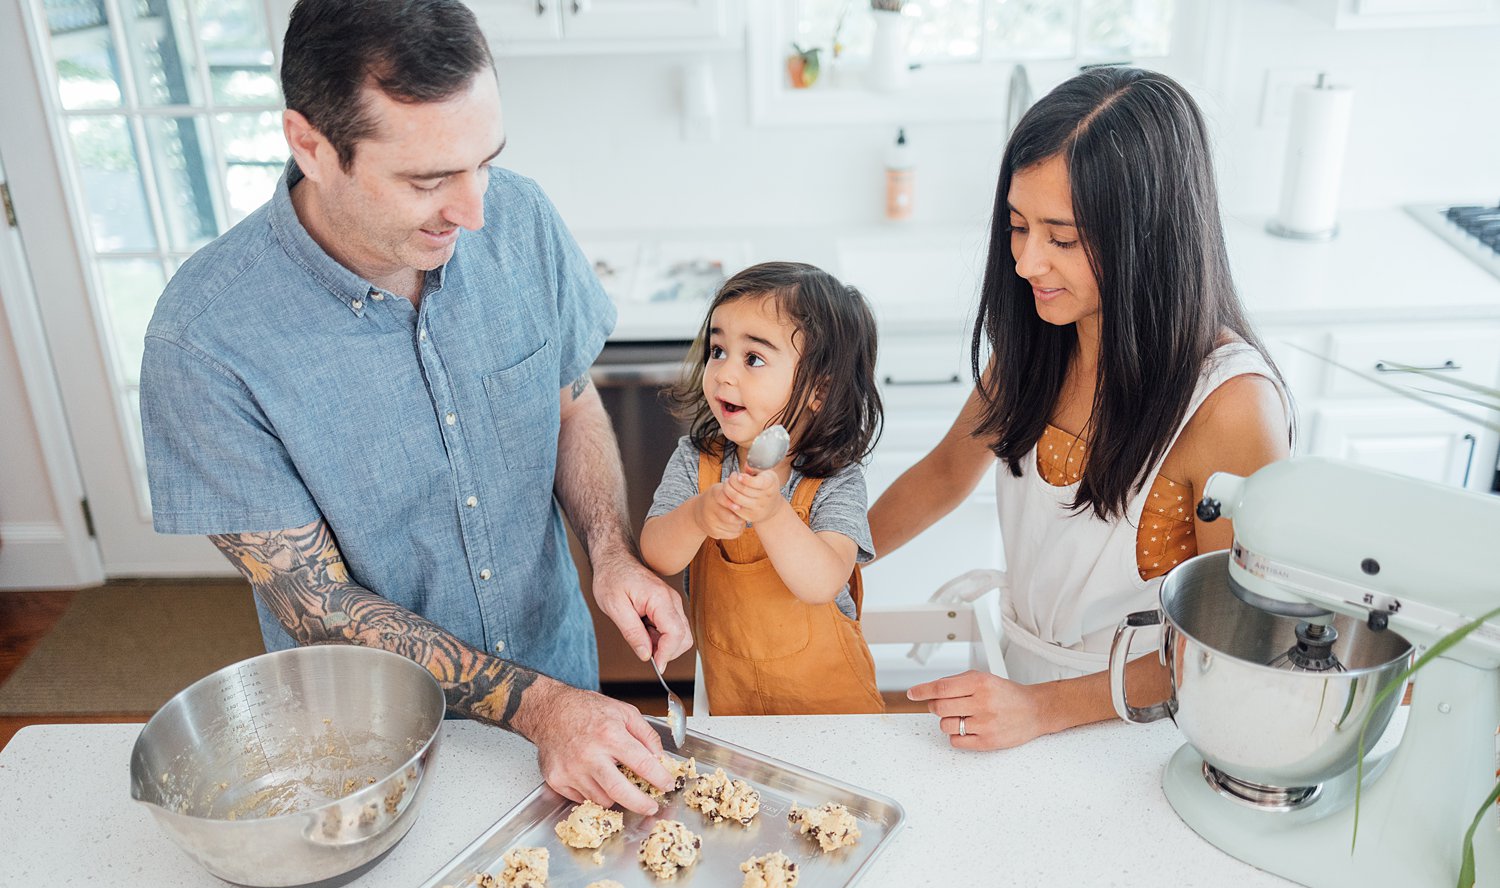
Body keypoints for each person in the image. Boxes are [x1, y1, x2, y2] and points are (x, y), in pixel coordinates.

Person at [137, 0, 690, 814]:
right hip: (372, 754)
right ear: (311, 146)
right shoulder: (204, 342)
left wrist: (609, 549)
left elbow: (571, 406)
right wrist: (536, 708)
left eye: (484, 163)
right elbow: (318, 604)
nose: (472, 209)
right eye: (428, 180)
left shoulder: (522, 221)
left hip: (568, 690)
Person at [868, 67, 1292, 750]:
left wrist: (1042, 710)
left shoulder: (1232, 407)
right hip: (1017, 691)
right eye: (1017, 226)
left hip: (1137, 729)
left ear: (1148, 236)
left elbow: (1229, 645)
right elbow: (946, 473)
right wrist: (832, 559)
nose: (1027, 262)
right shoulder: (1044, 343)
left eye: (1061, 238)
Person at [639, 262, 886, 715]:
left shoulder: (836, 479)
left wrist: (773, 514)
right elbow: (658, 552)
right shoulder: (697, 462)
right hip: (736, 715)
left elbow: (822, 582)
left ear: (818, 389)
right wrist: (697, 516)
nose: (724, 374)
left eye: (752, 358)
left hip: (838, 717)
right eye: (718, 350)